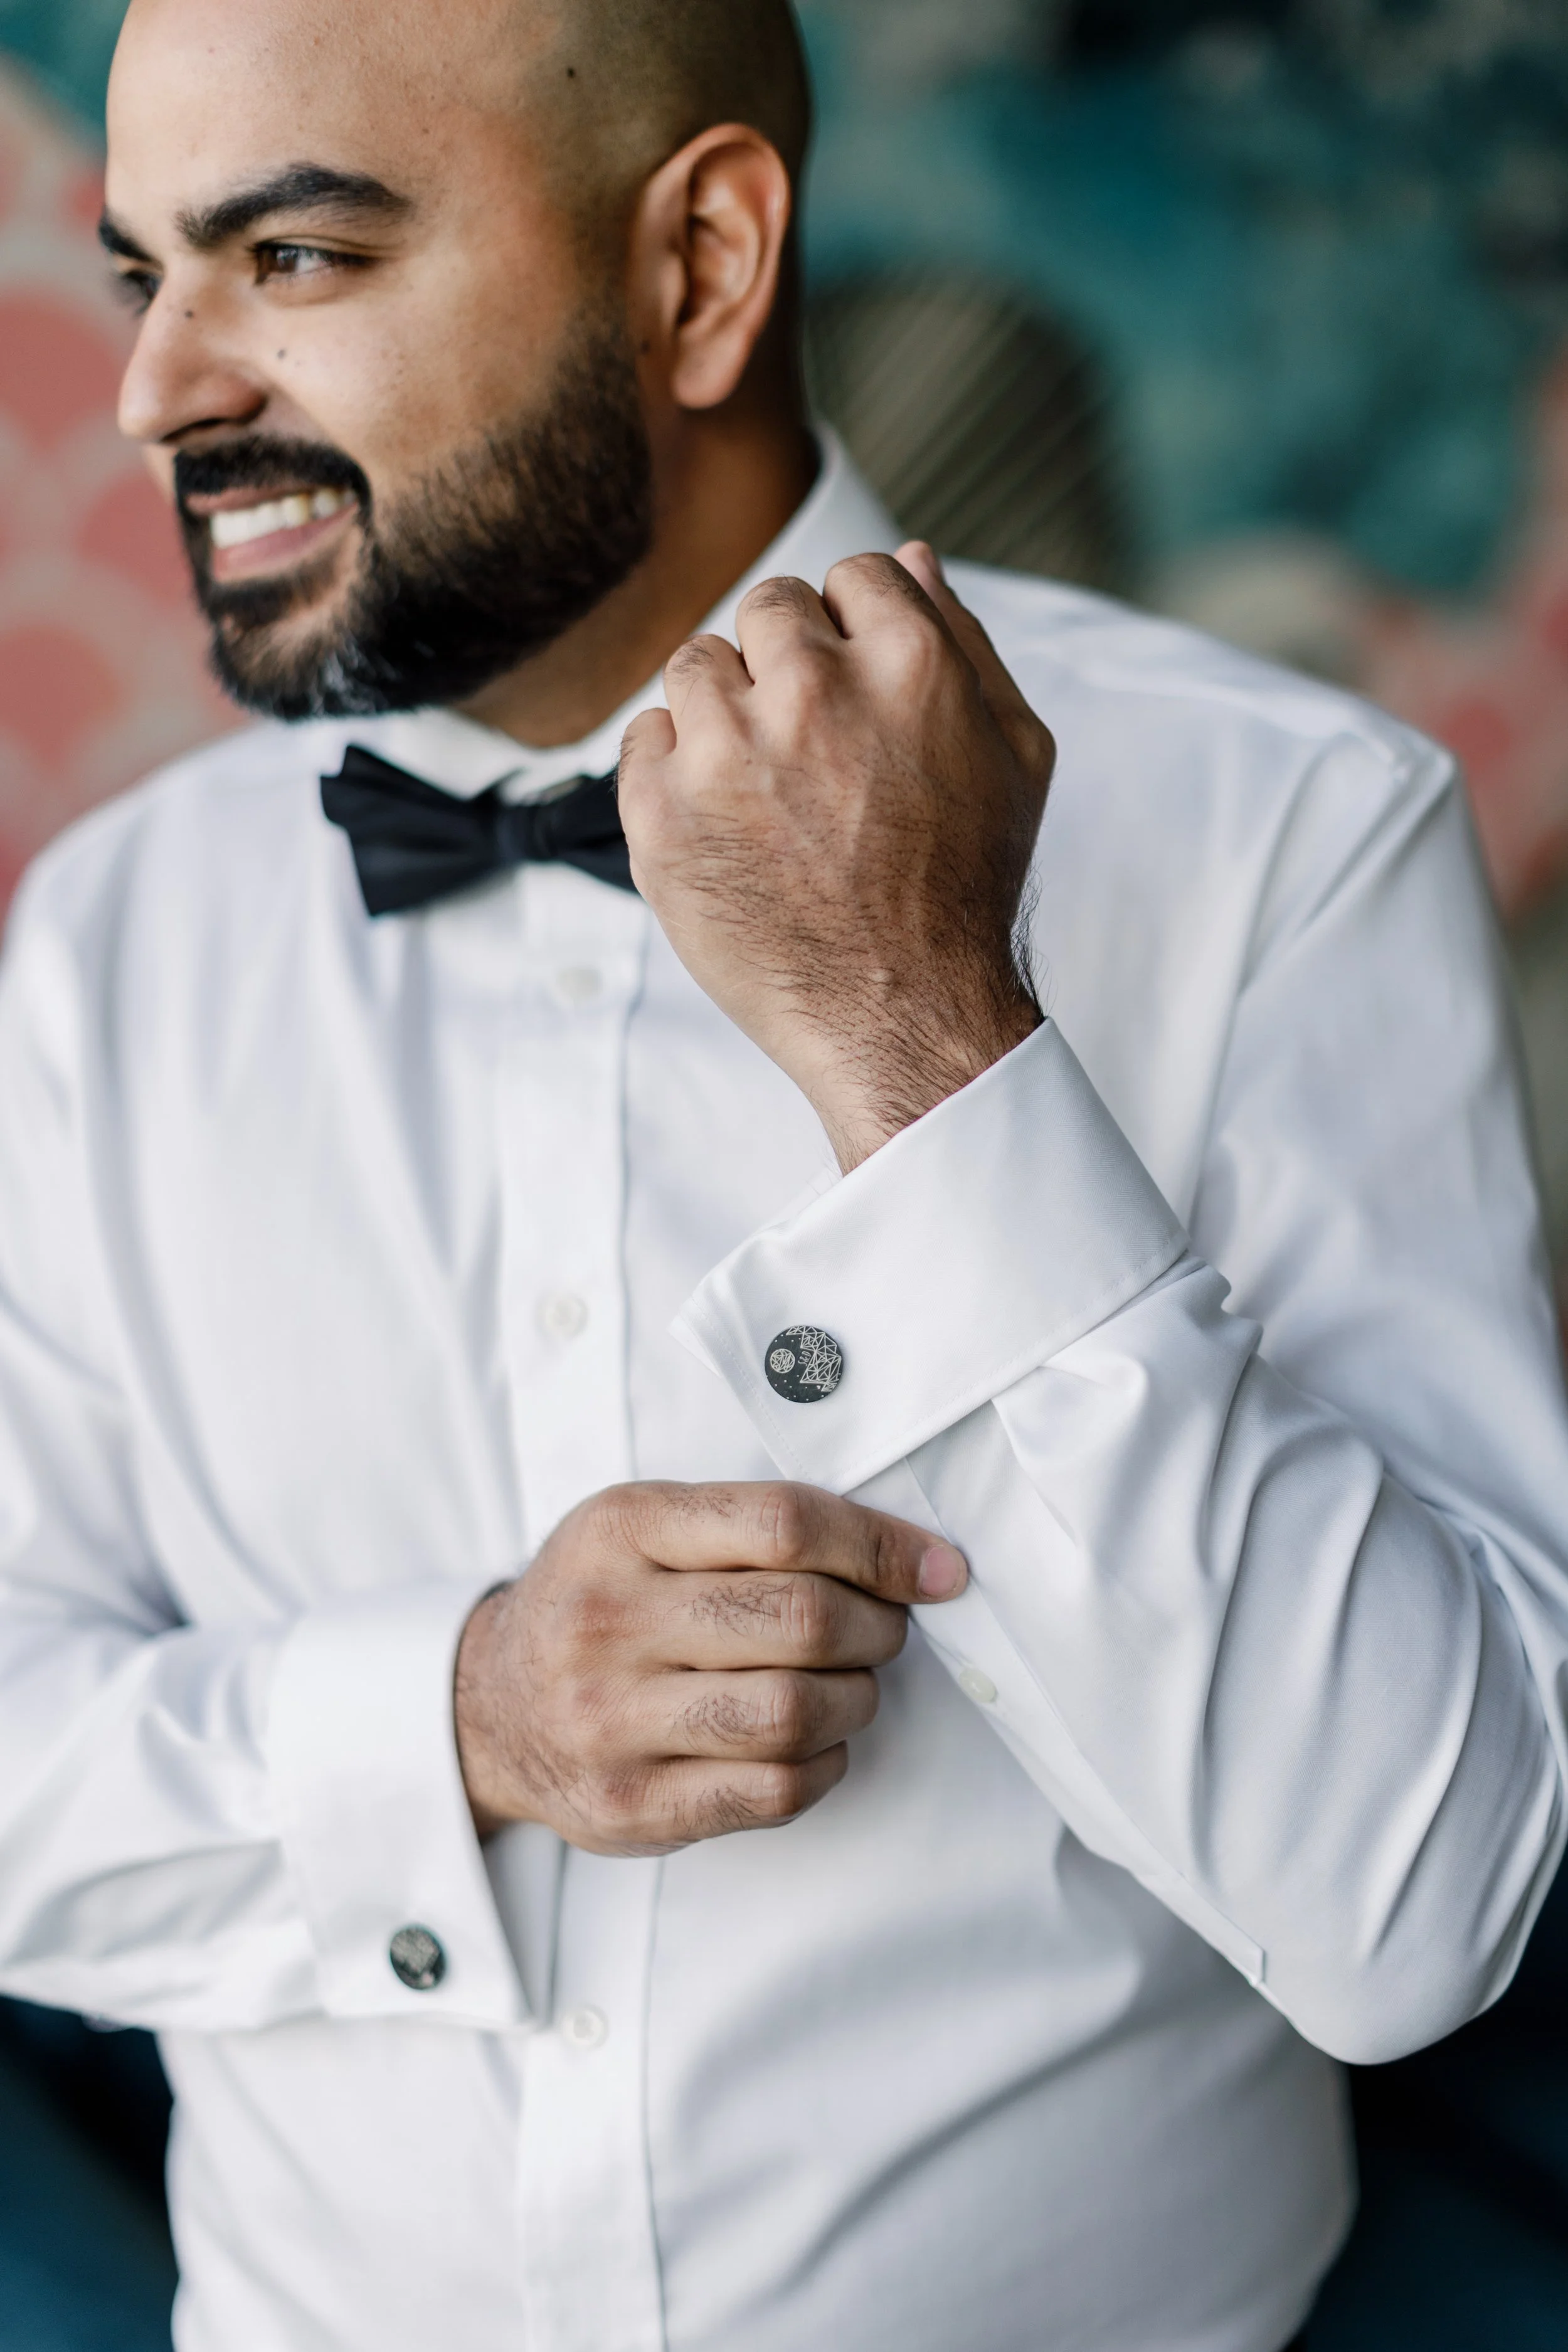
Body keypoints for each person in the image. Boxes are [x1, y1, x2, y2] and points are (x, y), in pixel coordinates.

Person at [0, 0, 1564, 2346]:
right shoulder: (110, 942)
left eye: (295, 256)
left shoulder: (1284, 833)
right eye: (147, 275)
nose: (158, 389)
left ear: (702, 263)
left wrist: (924, 1042)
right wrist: (460, 1719)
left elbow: (1414, 1908)